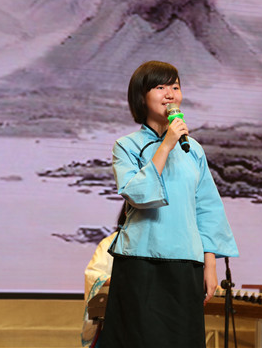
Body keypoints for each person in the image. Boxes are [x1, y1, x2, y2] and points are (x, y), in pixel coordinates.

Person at [100, 60, 239, 348]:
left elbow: (207, 207)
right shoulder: (126, 145)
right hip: (141, 261)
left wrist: (210, 264)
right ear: (141, 97)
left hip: (186, 262)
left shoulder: (194, 149)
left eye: (175, 87)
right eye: (160, 87)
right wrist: (166, 145)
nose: (169, 94)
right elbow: (138, 194)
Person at [81, 204, 127, 347]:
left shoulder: (159, 243)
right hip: (116, 313)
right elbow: (93, 274)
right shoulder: (111, 242)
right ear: (127, 213)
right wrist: (121, 281)